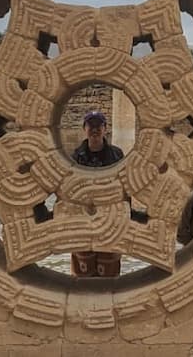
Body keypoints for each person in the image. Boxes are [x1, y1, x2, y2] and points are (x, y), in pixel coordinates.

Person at [68, 110, 126, 276]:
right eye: (90, 125)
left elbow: (123, 184)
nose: (95, 129)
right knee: (82, 266)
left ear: (105, 128)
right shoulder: (76, 156)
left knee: (109, 265)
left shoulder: (116, 154)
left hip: (110, 217)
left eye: (98, 125)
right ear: (84, 128)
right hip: (83, 218)